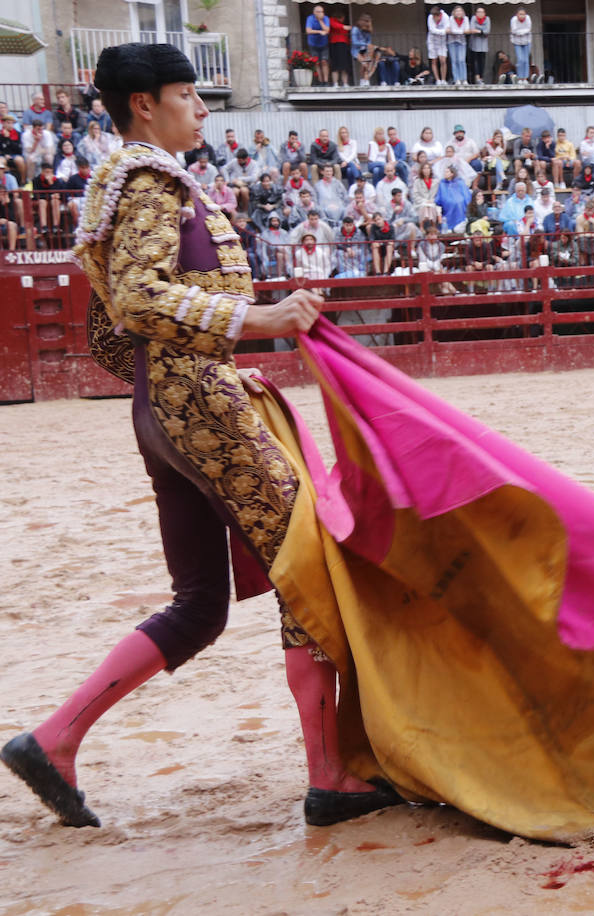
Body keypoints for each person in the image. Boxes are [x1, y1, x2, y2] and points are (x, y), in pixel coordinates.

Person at [3, 42, 402, 831]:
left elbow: (115, 333)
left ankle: (54, 741)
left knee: (198, 605)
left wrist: (180, 376)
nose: (204, 108)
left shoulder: (115, 189)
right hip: (197, 403)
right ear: (146, 104)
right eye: (190, 94)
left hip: (161, 409)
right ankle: (330, 777)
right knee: (306, 561)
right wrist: (249, 329)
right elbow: (143, 300)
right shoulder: (152, 180)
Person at [305, 4, 332, 85]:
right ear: (314, 12)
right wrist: (319, 32)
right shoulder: (310, 18)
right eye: (318, 12)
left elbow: (327, 30)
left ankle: (326, 81)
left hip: (324, 44)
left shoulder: (325, 18)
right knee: (316, 62)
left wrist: (320, 21)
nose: (320, 13)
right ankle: (320, 81)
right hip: (313, 43)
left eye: (322, 12)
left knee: (324, 62)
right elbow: (308, 31)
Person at [327, 9, 354, 87]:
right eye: (343, 18)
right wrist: (344, 27)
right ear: (340, 17)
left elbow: (346, 37)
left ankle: (345, 83)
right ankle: (335, 83)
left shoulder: (341, 24)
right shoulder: (331, 20)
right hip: (335, 45)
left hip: (344, 45)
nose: (343, 20)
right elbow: (334, 25)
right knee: (335, 65)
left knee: (344, 66)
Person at [426, 4, 450, 85]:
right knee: (434, 61)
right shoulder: (430, 17)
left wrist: (441, 31)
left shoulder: (445, 17)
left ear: (439, 15)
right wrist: (443, 32)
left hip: (442, 42)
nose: (434, 19)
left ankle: (443, 79)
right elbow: (432, 30)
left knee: (443, 60)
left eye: (435, 17)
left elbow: (447, 29)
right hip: (432, 41)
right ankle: (438, 80)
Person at [466, 6, 491, 84]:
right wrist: (482, 32)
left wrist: (478, 31)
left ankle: (481, 77)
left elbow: (487, 31)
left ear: (484, 13)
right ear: (476, 13)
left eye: (482, 12)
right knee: (475, 61)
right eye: (479, 12)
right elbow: (472, 29)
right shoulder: (473, 18)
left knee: (482, 62)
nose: (480, 14)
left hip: (483, 45)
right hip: (474, 44)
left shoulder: (487, 19)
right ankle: (477, 77)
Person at [446, 5, 469, 85]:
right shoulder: (451, 19)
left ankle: (464, 79)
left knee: (461, 60)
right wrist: (461, 31)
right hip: (452, 42)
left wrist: (455, 31)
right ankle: (457, 79)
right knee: (454, 61)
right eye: (457, 11)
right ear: (454, 13)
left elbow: (467, 30)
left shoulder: (465, 19)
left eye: (460, 11)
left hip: (462, 42)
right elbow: (448, 30)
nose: (459, 12)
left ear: (463, 12)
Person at [510, 6, 533, 81]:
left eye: (523, 14)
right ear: (517, 14)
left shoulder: (528, 18)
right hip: (517, 42)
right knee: (520, 59)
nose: (522, 16)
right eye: (520, 14)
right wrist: (523, 32)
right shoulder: (514, 20)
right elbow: (514, 31)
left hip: (527, 42)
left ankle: (525, 78)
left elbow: (529, 29)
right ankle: (520, 77)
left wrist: (519, 32)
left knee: (526, 60)